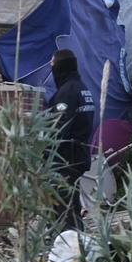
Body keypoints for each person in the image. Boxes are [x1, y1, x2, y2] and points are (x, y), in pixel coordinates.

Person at [46, 48, 95, 229]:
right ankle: (74, 242)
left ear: (59, 67)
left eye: (52, 65)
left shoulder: (67, 92)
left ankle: (69, 244)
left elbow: (59, 127)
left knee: (64, 206)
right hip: (79, 154)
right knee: (70, 203)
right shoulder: (82, 89)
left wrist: (45, 153)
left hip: (66, 158)